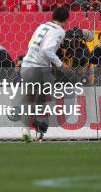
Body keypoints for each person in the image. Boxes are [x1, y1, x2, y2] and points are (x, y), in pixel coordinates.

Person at [20, 7, 70, 142]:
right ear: (66, 20)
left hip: (26, 66)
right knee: (41, 99)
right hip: (40, 68)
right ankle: (39, 130)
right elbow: (47, 49)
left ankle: (25, 130)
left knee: (29, 98)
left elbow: (31, 43)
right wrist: (60, 64)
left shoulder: (41, 26)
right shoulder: (60, 31)